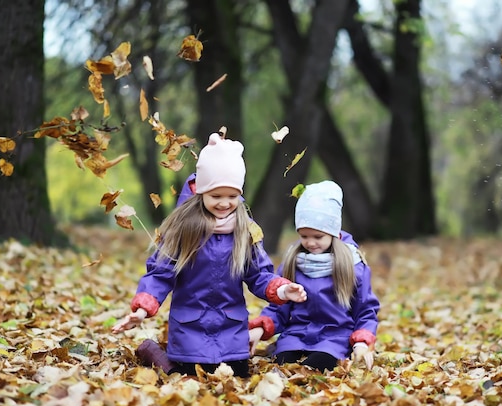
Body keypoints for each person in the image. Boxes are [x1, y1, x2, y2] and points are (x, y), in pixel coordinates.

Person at [112, 132, 307, 378]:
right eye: (216, 196)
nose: (224, 203)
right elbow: (160, 273)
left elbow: (258, 274)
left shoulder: (245, 230)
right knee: (186, 376)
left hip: (230, 330)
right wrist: (143, 308)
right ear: (202, 192)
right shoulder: (183, 228)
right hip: (189, 330)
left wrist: (281, 290)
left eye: (232, 196)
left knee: (235, 376)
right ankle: (151, 351)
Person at [248, 180, 380, 372]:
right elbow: (278, 309)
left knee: (316, 366)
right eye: (304, 236)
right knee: (283, 365)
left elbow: (365, 310)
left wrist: (361, 341)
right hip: (296, 335)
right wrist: (261, 328)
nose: (310, 243)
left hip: (335, 337)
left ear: (333, 233)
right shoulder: (293, 262)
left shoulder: (353, 266)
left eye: (318, 237)